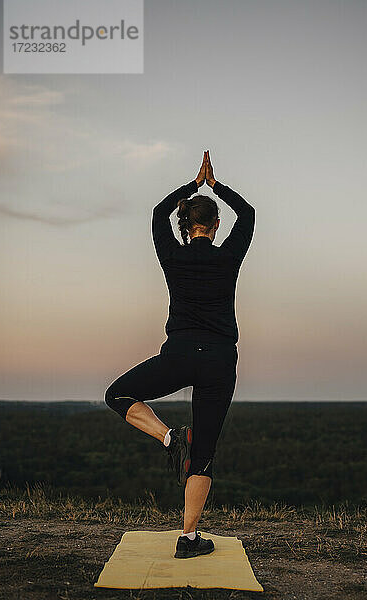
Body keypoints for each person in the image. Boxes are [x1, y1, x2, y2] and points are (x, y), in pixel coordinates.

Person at [105, 150, 255, 558]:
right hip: (221, 360)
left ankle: (170, 439)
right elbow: (249, 214)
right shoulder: (228, 257)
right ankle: (189, 539)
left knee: (116, 395)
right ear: (217, 225)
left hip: (180, 355)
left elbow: (157, 213)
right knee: (203, 454)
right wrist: (214, 185)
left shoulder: (172, 254)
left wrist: (193, 185)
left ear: (186, 226)